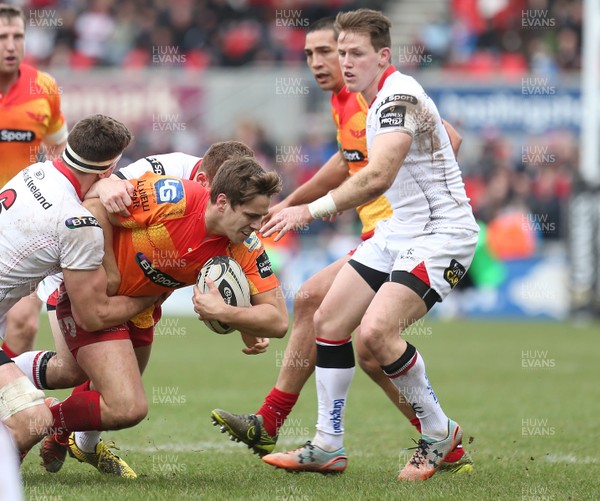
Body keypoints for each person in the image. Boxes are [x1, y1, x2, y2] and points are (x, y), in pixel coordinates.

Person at [210, 17, 472, 474]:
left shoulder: (398, 97)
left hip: (442, 234)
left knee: (374, 335)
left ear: (383, 56)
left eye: (354, 54)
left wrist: (305, 210)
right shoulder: (362, 104)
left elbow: (378, 175)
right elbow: (355, 163)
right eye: (341, 52)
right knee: (327, 319)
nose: (343, 62)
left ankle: (439, 433)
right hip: (398, 231)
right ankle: (328, 444)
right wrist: (295, 200)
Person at [35, 155, 287, 479]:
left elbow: (278, 321)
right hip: (98, 295)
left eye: (261, 216)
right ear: (222, 201)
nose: (256, 225)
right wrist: (108, 273)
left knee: (116, 395)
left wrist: (228, 313)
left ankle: (67, 436)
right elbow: (95, 202)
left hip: (141, 307)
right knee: (94, 385)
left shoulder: (245, 245)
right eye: (251, 215)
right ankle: (33, 420)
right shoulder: (172, 195)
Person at [0, 114, 160, 453]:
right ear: (108, 170)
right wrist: (154, 292)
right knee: (35, 420)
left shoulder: (35, 171)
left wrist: (100, 184)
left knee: (65, 373)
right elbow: (92, 316)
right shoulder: (78, 224)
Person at [0, 4, 69, 359]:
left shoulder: (43, 87)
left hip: (20, 222)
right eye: (2, 38)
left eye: (17, 37)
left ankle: (7, 404)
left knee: (25, 322)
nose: (10, 46)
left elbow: (60, 147)